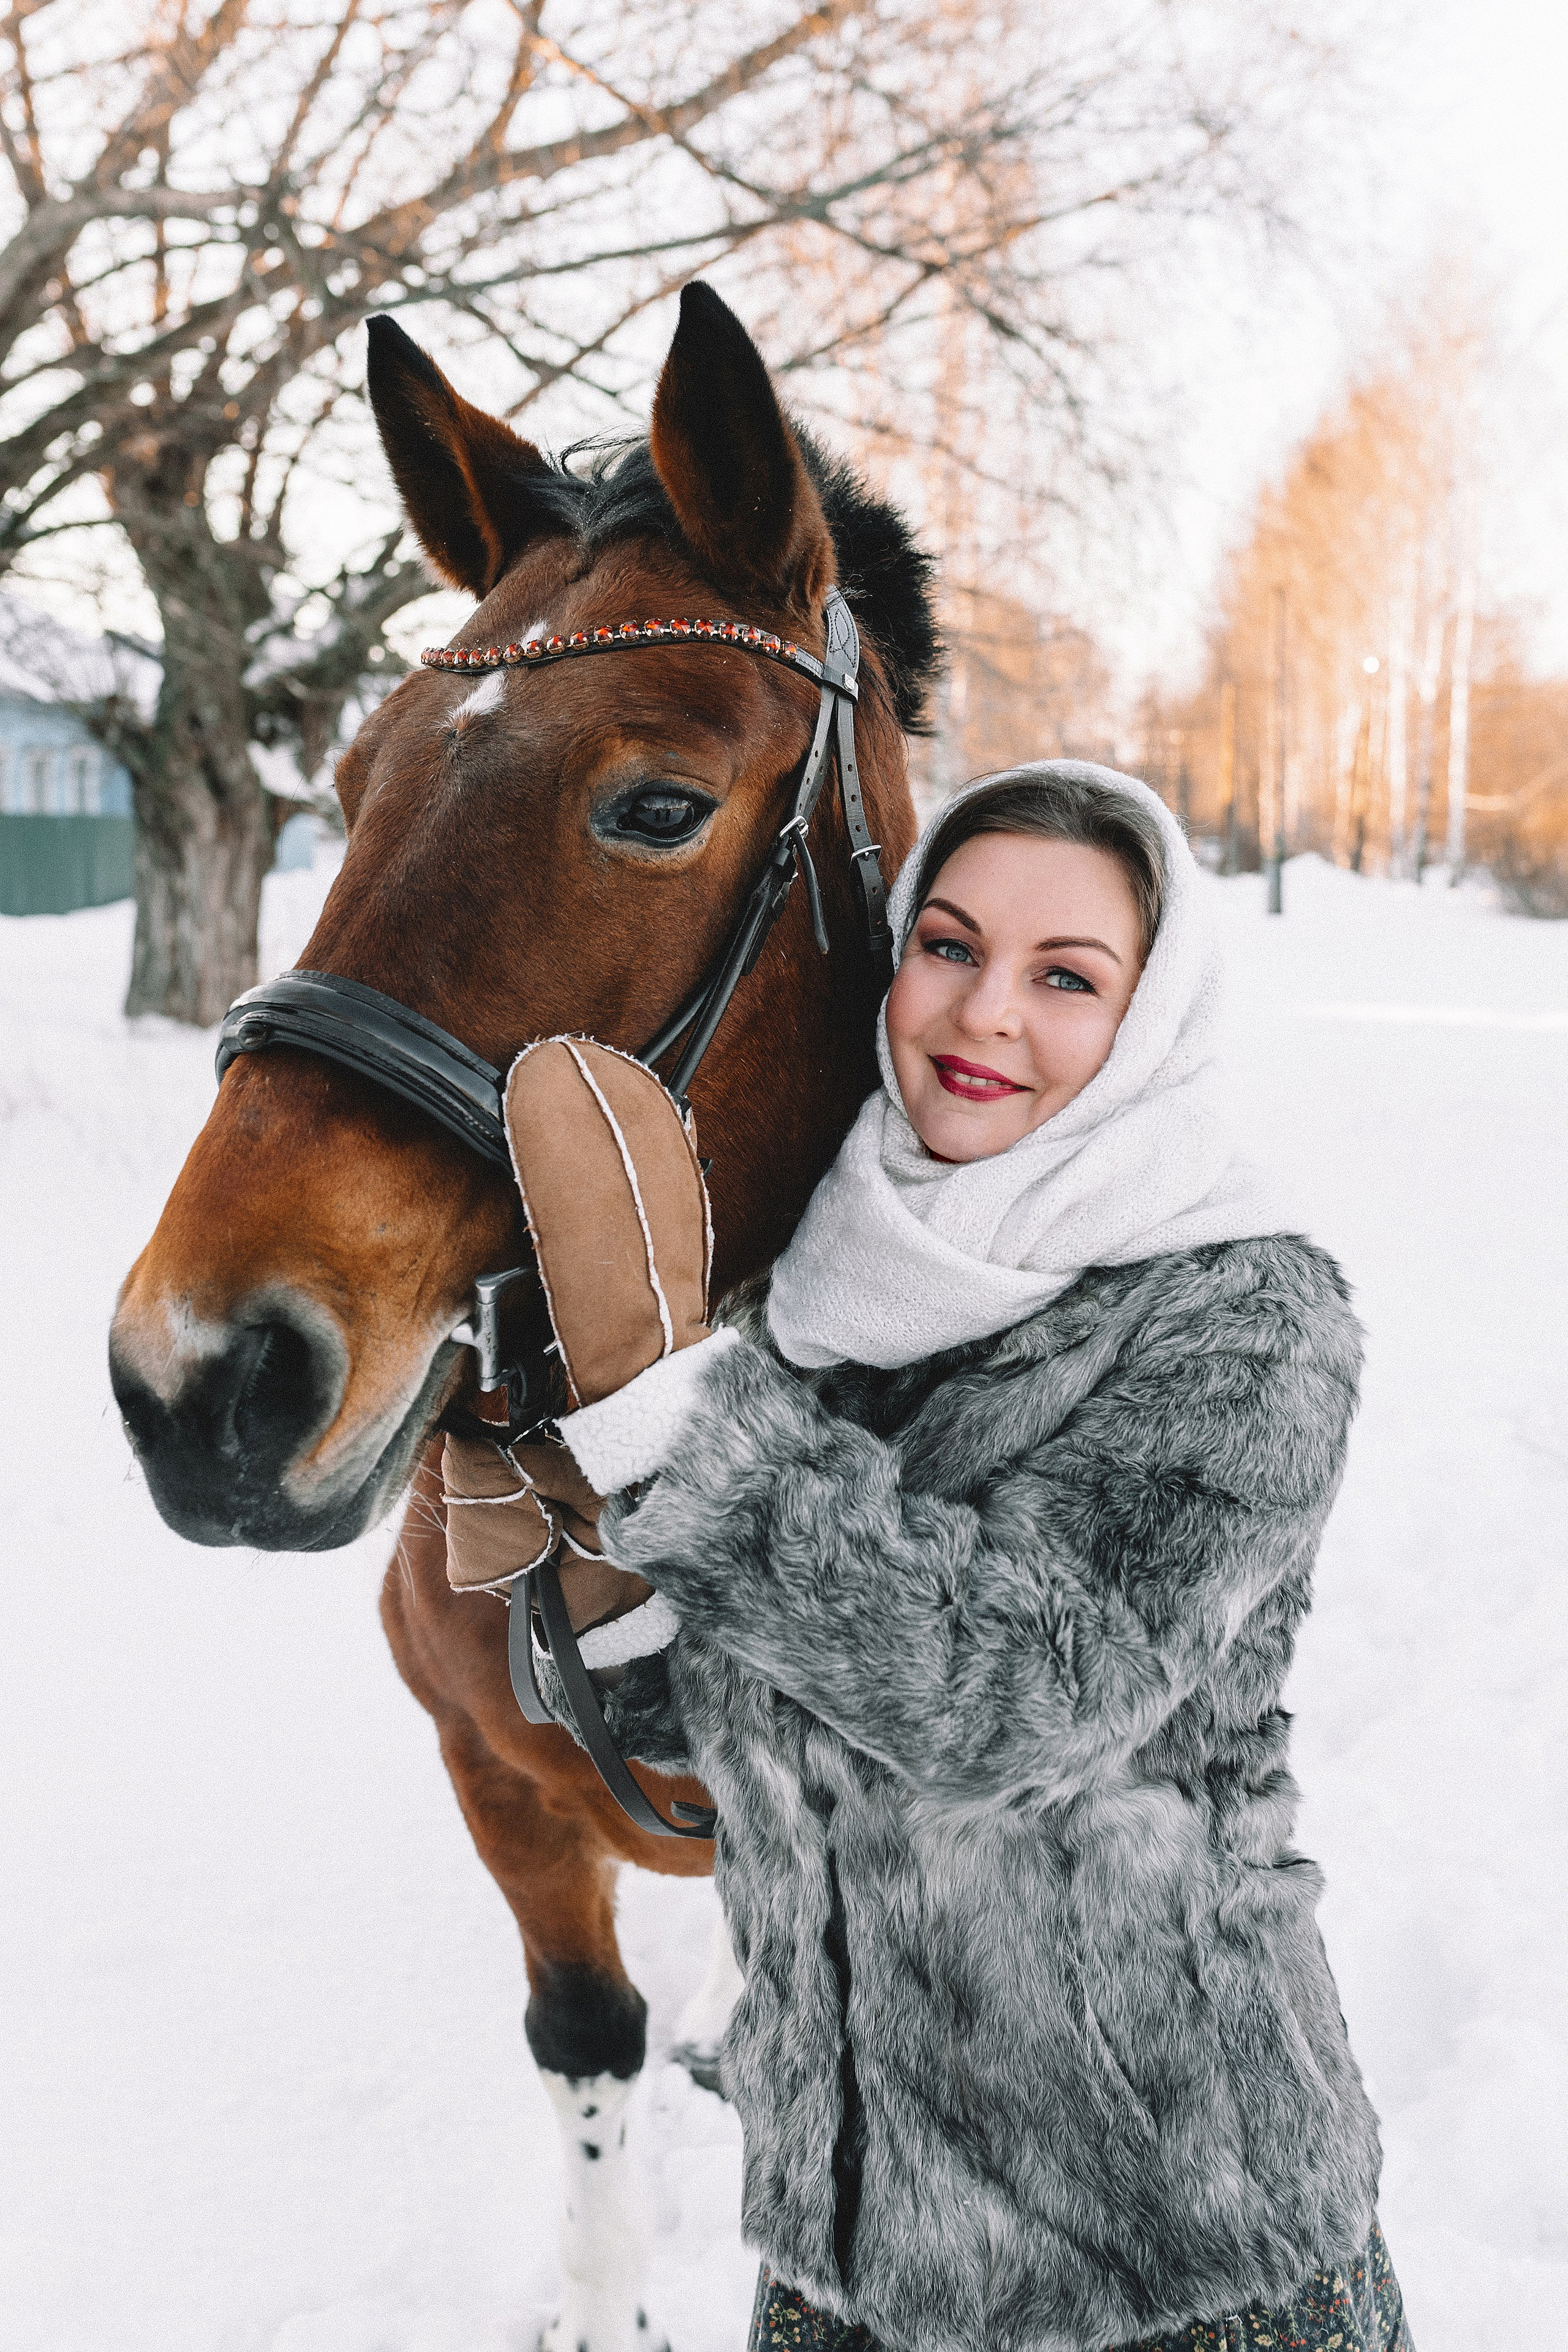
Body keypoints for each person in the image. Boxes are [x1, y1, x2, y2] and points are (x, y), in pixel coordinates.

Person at [467, 762, 1412, 2352]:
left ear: (1150, 1023)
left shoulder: (1243, 1311)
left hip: (1170, 2249)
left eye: (1066, 979)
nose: (984, 1014)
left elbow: (1026, 1699)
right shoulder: (816, 1296)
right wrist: (603, 1604)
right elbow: (756, 1754)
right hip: (847, 2247)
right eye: (951, 947)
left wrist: (682, 1436)